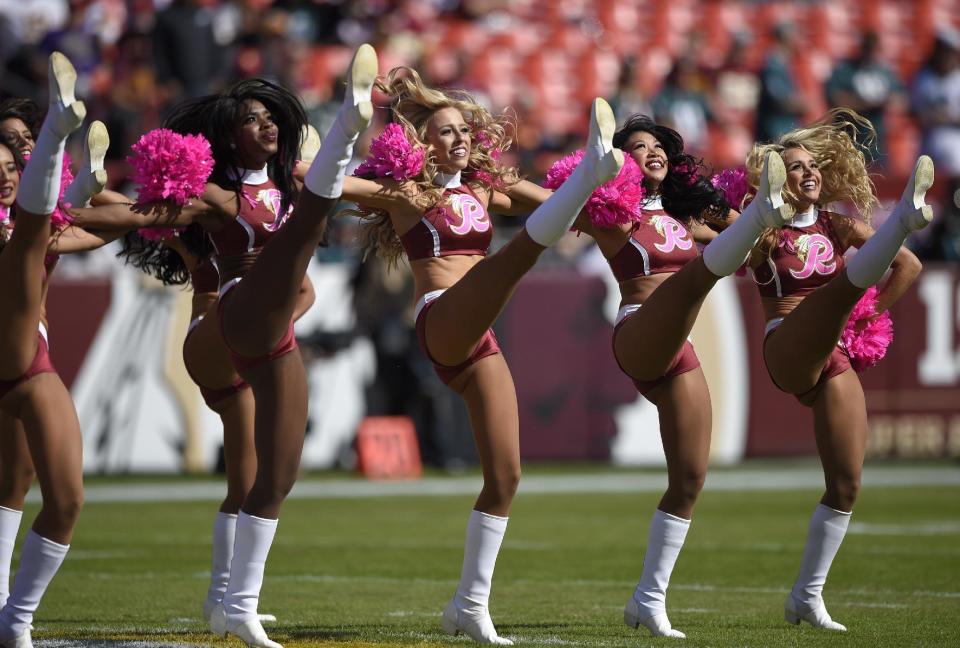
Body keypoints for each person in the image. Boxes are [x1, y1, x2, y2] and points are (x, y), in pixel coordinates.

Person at [70, 44, 379, 648]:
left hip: (265, 335)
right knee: (303, 226)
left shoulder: (288, 190)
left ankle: (228, 604)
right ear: (230, 139)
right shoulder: (215, 199)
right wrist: (78, 196)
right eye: (251, 120)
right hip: (217, 330)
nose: (265, 126)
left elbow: (310, 288)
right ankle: (350, 119)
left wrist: (416, 193)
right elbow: (138, 215)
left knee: (265, 477)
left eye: (272, 119)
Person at [342, 67, 624, 644]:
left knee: (506, 476)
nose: (460, 139)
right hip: (441, 317)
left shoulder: (485, 188)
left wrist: (623, 213)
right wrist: (346, 131)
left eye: (464, 131)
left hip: (478, 341)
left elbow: (562, 212)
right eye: (445, 132)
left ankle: (469, 604)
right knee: (511, 259)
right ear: (423, 143)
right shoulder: (408, 194)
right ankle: (591, 165)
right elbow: (323, 184)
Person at [540, 115, 793, 638]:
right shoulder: (613, 215)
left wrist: (764, 216)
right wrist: (585, 174)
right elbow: (547, 205)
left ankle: (647, 599)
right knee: (701, 275)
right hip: (638, 331)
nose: (651, 151)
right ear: (620, 162)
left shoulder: (684, 219)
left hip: (679, 347)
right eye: (637, 146)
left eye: (658, 145)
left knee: (691, 479)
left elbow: (750, 243)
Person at [746, 109, 931, 631]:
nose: (807, 174)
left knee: (847, 484)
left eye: (812, 167)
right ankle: (905, 218)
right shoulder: (765, 225)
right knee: (834, 295)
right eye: (795, 168)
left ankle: (807, 596)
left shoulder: (836, 223)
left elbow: (908, 267)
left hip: (831, 352)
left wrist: (866, 317)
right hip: (787, 342)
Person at [116, 221, 314, 624]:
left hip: (250, 356)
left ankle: (221, 601)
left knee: (247, 486)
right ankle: (223, 599)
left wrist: (269, 331)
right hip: (211, 345)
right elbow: (128, 213)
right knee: (249, 485)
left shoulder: (265, 234)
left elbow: (308, 293)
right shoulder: (205, 219)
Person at [0, 51, 92, 648]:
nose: (7, 172)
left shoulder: (38, 218)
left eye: (15, 161)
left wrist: (164, 209)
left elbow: (85, 219)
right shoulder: (27, 224)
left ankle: (15, 616)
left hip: (27, 362)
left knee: (59, 497)